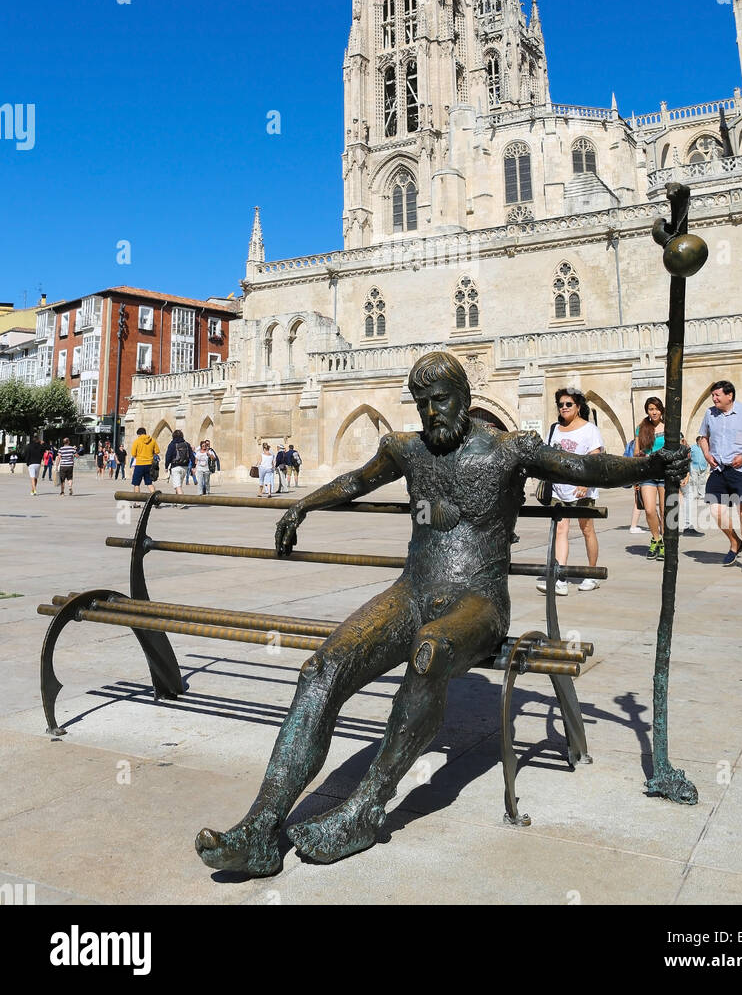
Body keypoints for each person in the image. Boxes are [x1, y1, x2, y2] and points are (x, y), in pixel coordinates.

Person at [195, 350, 688, 876]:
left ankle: (365, 808)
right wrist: (302, 505)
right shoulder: (405, 449)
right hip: (411, 592)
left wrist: (650, 466)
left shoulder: (508, 450)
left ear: (465, 399)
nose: (432, 413)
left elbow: (583, 466)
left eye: (441, 401)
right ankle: (261, 828)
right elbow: (357, 480)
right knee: (321, 670)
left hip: (477, 604)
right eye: (423, 403)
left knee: (429, 651)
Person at [537, 387, 604, 595]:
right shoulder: (554, 429)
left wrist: (585, 483)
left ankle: (592, 574)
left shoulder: (589, 429)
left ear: (578, 407)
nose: (564, 408)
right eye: (561, 405)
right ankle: (560, 577)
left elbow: (595, 458)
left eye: (569, 404)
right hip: (559, 487)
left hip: (581, 489)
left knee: (586, 529)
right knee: (561, 530)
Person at [697, 379, 742, 573]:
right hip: (718, 470)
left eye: (717, 395)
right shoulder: (710, 414)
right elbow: (702, 437)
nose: (714, 398)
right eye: (712, 395)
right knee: (715, 511)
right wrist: (706, 453)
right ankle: (735, 541)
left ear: (730, 396)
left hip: (740, 471)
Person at [632, 397, 666, 561]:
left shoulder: (668, 428)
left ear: (661, 410)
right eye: (651, 409)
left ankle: (666, 543)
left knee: (664, 511)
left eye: (657, 409)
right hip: (647, 473)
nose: (654, 412)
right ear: (647, 410)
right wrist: (640, 455)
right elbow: (636, 452)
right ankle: (656, 539)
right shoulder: (642, 428)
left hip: (665, 474)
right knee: (650, 509)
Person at [681, 438, 708, 533]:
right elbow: (688, 455)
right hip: (692, 467)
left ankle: (701, 494)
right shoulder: (692, 447)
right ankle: (687, 525)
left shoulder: (704, 448)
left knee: (700, 482)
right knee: (690, 491)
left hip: (701, 467)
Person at [129, 427, 160, 503]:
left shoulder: (137, 441)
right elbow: (157, 451)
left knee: (136, 484)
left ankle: (137, 502)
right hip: (149, 464)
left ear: (139, 434)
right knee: (149, 483)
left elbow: (133, 454)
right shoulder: (152, 440)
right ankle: (156, 499)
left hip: (139, 464)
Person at [165, 429, 194, 496]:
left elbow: (168, 456)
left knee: (178, 486)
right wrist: (193, 466)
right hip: (185, 467)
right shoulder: (186, 444)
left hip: (175, 467)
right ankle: (177, 501)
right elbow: (192, 456)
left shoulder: (172, 444)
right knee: (179, 484)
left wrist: (166, 466)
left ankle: (182, 501)